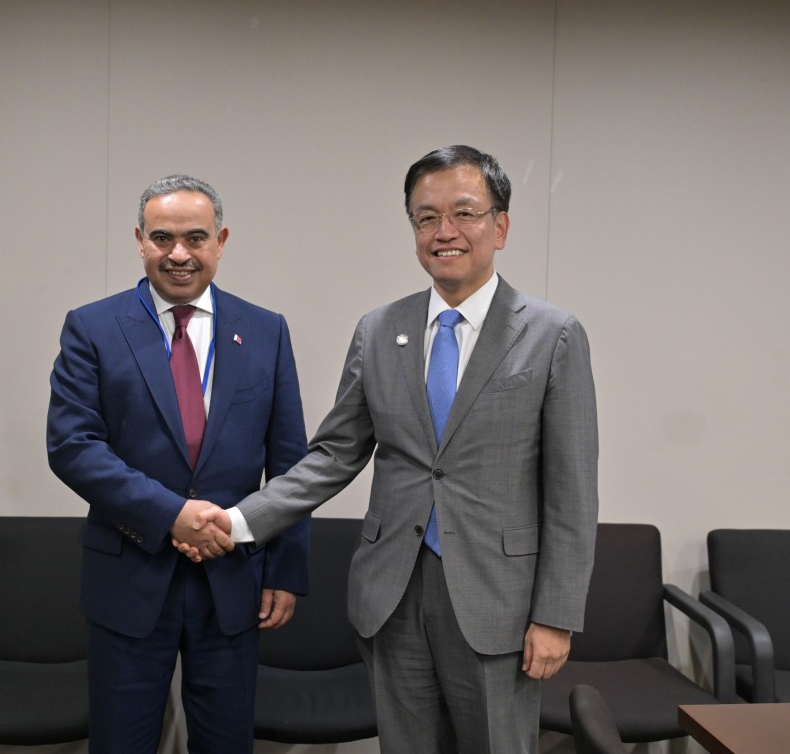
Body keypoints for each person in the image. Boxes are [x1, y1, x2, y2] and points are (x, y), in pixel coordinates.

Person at [190, 145, 599, 753]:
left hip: (500, 603)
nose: (444, 232)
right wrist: (239, 521)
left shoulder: (552, 335)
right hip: (392, 595)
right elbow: (333, 454)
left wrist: (555, 616)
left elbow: (572, 492)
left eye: (464, 213)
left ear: (501, 226)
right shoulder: (380, 330)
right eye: (426, 217)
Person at [46, 174, 309, 754]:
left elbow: (291, 463)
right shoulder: (93, 327)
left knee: (226, 743)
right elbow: (73, 446)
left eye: (195, 237)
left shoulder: (265, 330)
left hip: (234, 575)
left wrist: (286, 568)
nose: (179, 254)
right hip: (129, 575)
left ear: (221, 241)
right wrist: (173, 515)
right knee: (121, 742)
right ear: (140, 240)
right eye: (162, 238)